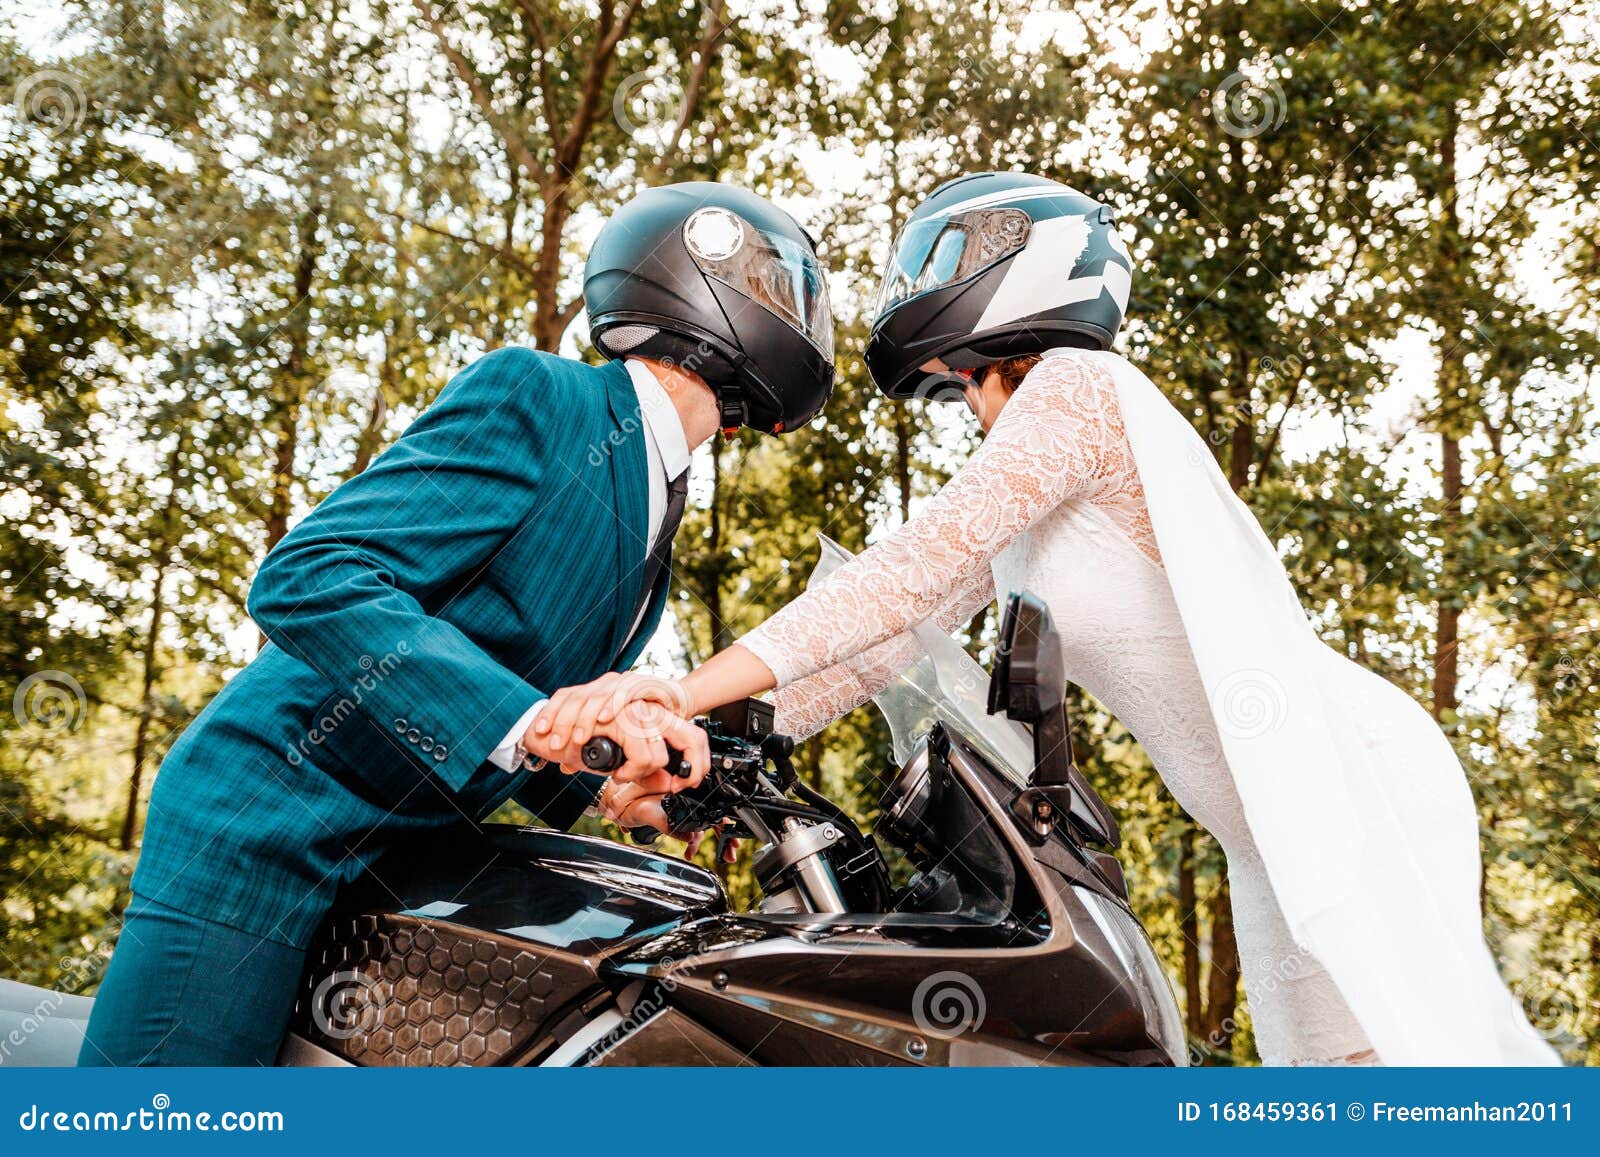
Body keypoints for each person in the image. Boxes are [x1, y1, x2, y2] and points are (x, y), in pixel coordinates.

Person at [536, 172, 1559, 1066]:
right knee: (1330, 1094)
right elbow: (892, 634)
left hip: (1350, 769)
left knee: (1414, 1076)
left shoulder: (1078, 389)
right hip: (1263, 823)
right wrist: (701, 748)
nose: (962, 398)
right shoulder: (1034, 472)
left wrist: (678, 685)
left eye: (962, 383)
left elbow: (905, 567)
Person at [78, 181, 835, 1066]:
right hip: (262, 834)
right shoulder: (544, 398)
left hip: (403, 868)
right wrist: (529, 726)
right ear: (702, 277)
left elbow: (532, 697)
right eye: (781, 288)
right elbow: (309, 574)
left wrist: (616, 779)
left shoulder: (658, 501)